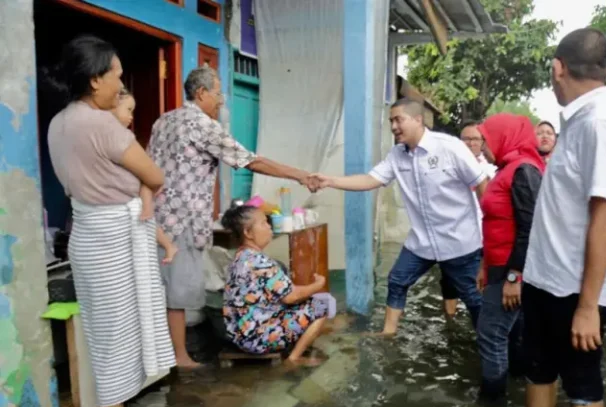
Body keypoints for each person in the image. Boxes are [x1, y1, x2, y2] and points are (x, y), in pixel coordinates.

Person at [148, 66, 318, 369]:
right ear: (201, 93)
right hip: (183, 220)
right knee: (178, 292)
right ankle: (180, 356)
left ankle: (165, 353)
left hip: (157, 218)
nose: (221, 101)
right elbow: (249, 160)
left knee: (163, 287)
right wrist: (299, 175)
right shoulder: (203, 125)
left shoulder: (164, 120)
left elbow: (148, 165)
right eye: (217, 94)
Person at [46, 35, 175, 407]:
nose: (121, 84)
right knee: (119, 335)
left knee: (106, 334)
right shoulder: (102, 123)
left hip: (87, 236)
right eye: (117, 75)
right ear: (95, 80)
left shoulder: (58, 122)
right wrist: (144, 190)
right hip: (116, 239)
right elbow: (155, 175)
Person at [521, 28, 606, 407]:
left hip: (577, 288)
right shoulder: (578, 120)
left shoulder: (600, 124)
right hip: (547, 277)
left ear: (558, 68)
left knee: (582, 382)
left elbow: (605, 218)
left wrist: (588, 308)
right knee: (538, 369)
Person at [312, 98, 488, 335]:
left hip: (459, 241)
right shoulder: (397, 155)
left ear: (418, 120)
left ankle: (486, 342)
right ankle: (388, 334)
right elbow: (370, 179)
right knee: (397, 280)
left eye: (398, 120)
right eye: (391, 121)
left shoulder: (449, 147)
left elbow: (482, 183)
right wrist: (330, 181)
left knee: (473, 297)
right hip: (422, 242)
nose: (394, 126)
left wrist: (489, 230)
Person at [474, 113, 544, 405]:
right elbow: (495, 223)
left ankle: (492, 401)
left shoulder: (523, 170)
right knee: (513, 331)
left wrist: (515, 277)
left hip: (512, 269)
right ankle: (517, 390)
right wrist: (484, 265)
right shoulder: (507, 169)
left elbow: (531, 228)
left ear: (503, 137)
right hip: (499, 265)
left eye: (485, 140)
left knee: (491, 332)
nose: (482, 147)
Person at [220, 203, 328, 365]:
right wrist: (318, 285)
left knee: (302, 304)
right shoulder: (259, 262)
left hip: (239, 335)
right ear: (248, 233)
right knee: (323, 305)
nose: (269, 226)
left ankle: (292, 345)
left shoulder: (241, 256)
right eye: (263, 223)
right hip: (257, 339)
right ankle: (294, 359)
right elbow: (291, 296)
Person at [436, 121, 498, 319]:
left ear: (483, 142)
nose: (471, 143)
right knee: (449, 282)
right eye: (466, 139)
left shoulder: (492, 168)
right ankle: (450, 321)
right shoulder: (446, 165)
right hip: (454, 233)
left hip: (483, 234)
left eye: (475, 139)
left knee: (480, 283)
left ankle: (481, 322)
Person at [111, 88, 177, 265]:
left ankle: (149, 211)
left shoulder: (126, 136)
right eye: (128, 110)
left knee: (146, 209)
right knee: (147, 224)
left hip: (139, 183)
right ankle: (168, 245)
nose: (131, 117)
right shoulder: (109, 134)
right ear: (112, 106)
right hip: (127, 192)